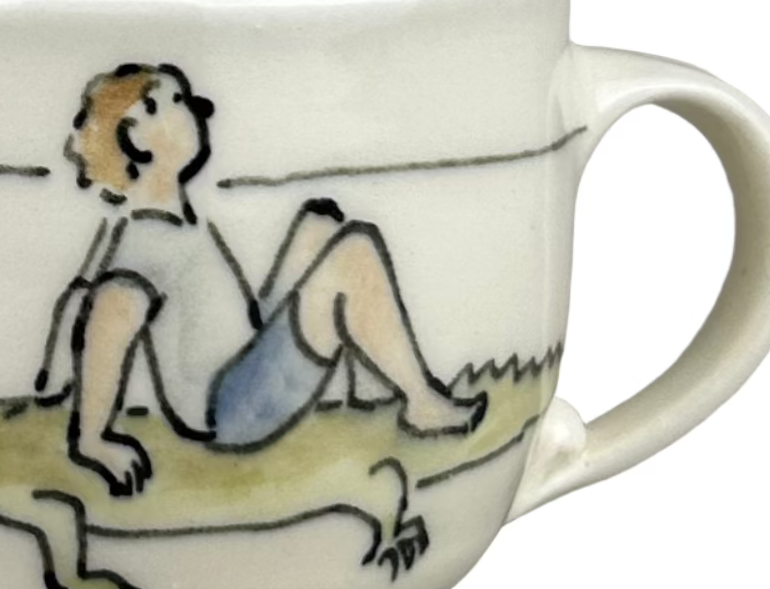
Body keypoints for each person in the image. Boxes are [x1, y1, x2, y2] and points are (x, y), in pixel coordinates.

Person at [35, 63, 486, 496]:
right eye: (175, 101)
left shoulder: (175, 220)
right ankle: (421, 403)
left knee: (317, 227)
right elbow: (109, 318)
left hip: (243, 361)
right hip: (229, 407)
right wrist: (92, 439)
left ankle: (375, 388)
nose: (194, 108)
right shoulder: (148, 235)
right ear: (136, 136)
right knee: (354, 253)